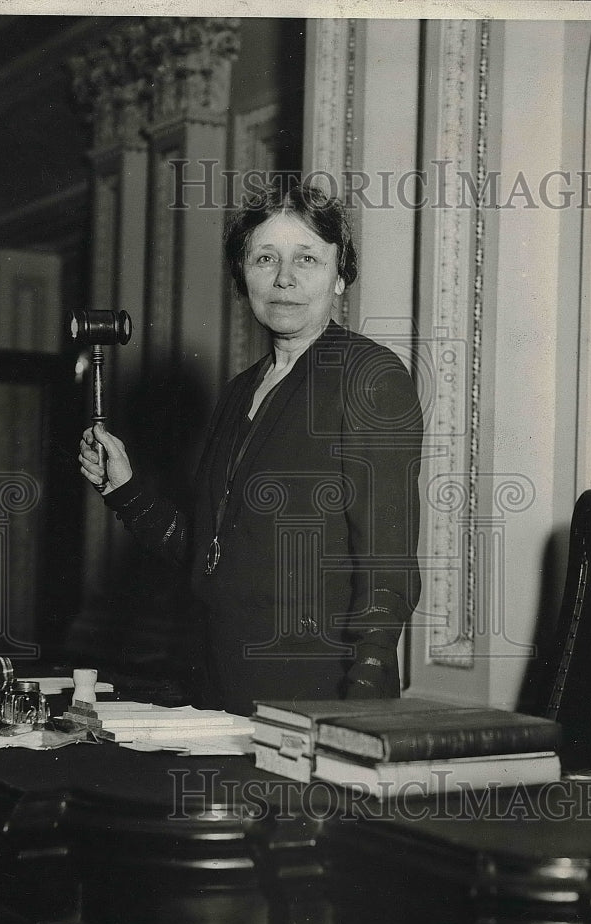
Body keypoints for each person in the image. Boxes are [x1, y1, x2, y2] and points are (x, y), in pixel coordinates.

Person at [79, 182, 422, 716]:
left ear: (340, 276)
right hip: (216, 684)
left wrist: (359, 711)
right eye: (266, 258)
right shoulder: (241, 389)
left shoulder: (368, 377)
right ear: (243, 276)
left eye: (307, 258)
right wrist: (126, 489)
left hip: (316, 690)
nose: (285, 278)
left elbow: (387, 568)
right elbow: (209, 556)